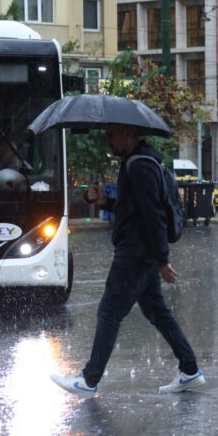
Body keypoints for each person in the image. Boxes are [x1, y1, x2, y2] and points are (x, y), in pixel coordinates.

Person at [50, 123, 203, 397]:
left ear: (127, 134)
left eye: (111, 135)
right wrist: (105, 203)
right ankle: (190, 370)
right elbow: (132, 210)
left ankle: (89, 380)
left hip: (134, 254)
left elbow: (152, 215)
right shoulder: (138, 162)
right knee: (157, 312)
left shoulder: (139, 167)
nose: (109, 141)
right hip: (141, 253)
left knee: (109, 313)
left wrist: (161, 259)